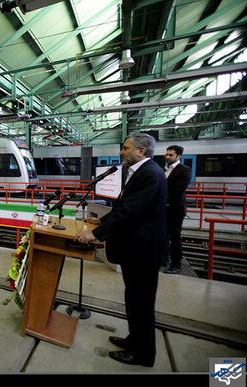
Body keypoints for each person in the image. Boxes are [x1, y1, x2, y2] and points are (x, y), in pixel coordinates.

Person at [75, 133, 167, 367]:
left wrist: (94, 235)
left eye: (125, 148)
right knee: (134, 299)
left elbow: (130, 212)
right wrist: (102, 224)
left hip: (143, 252)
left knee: (142, 304)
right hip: (136, 250)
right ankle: (134, 340)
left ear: (141, 151)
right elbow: (124, 208)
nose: (121, 152)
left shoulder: (149, 174)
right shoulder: (142, 172)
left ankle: (143, 355)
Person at [163, 145, 192, 274]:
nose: (167, 157)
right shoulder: (165, 169)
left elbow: (178, 190)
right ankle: (163, 259)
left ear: (179, 156)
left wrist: (162, 201)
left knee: (174, 237)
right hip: (164, 209)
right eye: (167, 155)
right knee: (163, 235)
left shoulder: (184, 170)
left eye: (171, 155)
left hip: (175, 209)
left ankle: (176, 265)